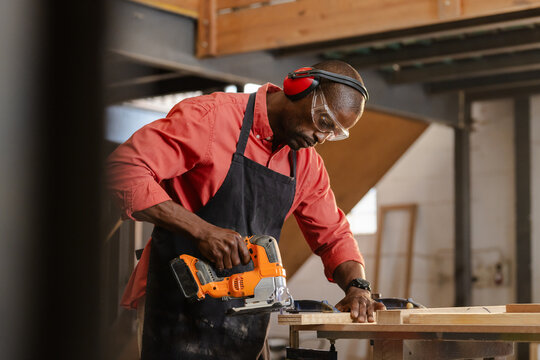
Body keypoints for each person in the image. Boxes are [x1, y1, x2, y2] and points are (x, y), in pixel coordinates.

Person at [106, 59, 385, 360]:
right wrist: (202, 230)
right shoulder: (212, 118)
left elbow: (333, 236)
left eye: (334, 133)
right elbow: (123, 169)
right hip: (177, 306)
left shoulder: (306, 164)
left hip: (247, 318)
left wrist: (358, 287)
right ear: (298, 87)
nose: (322, 138)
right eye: (323, 121)